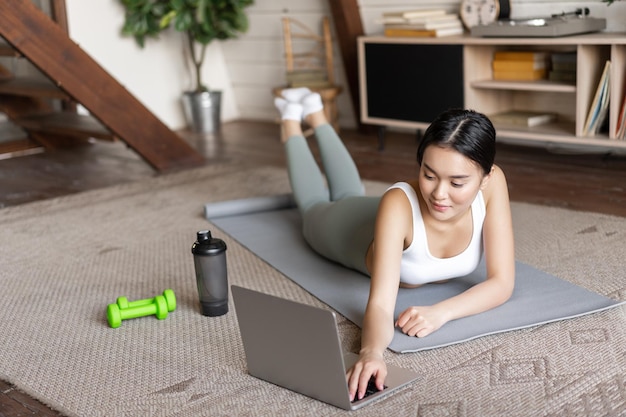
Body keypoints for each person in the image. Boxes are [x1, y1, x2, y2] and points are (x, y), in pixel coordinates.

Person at [274, 88, 515, 402]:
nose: (439, 193)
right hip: (349, 230)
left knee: (350, 193)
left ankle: (316, 112)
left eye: (457, 183)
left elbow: (502, 282)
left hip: (391, 219)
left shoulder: (494, 183)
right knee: (315, 208)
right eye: (428, 175)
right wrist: (372, 352)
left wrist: (442, 312)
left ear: (485, 177)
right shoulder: (398, 202)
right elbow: (380, 304)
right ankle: (291, 120)